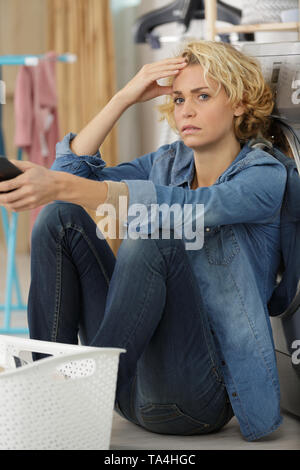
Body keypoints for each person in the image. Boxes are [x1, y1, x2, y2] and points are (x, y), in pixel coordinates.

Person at [0, 41, 288, 442]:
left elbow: (183, 207)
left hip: (194, 399)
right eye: (178, 98)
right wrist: (124, 96)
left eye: (202, 96)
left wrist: (64, 185)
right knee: (59, 216)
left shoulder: (264, 177)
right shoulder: (167, 162)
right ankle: (53, 395)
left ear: (239, 103)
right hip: (130, 389)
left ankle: (79, 389)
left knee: (156, 236)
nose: (185, 110)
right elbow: (69, 177)